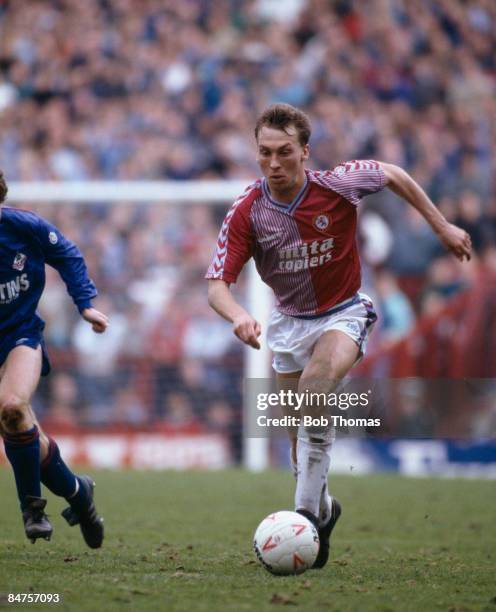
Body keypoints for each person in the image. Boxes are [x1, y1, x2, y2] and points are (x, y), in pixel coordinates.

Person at [205, 103, 472, 569]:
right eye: (264, 153)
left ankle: (304, 517)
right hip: (288, 325)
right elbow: (215, 287)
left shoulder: (338, 184)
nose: (273, 163)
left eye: (284, 152)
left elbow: (392, 173)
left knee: (317, 386)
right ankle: (325, 510)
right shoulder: (248, 210)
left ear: (305, 151)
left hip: (344, 312)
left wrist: (441, 224)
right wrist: (237, 316)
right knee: (297, 442)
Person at [0, 170, 109, 547]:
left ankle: (32, 508)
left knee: (13, 408)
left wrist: (85, 305)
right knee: (21, 429)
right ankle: (79, 494)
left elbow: (67, 253)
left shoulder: (23, 226)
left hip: (19, 334)